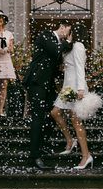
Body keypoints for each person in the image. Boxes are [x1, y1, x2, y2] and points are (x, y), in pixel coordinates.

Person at [23, 20, 72, 170]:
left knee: (53, 113)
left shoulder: (59, 43)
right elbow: (54, 50)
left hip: (48, 85)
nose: (68, 36)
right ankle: (34, 156)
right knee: (38, 117)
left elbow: (55, 65)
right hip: (37, 82)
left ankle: (41, 144)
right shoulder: (46, 35)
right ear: (62, 27)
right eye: (68, 31)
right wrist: (68, 43)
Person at [51, 22, 93, 170]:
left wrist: (81, 89)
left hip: (76, 87)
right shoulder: (71, 46)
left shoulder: (79, 46)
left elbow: (81, 69)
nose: (67, 32)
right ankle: (71, 140)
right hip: (67, 87)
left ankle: (86, 156)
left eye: (70, 30)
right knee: (55, 112)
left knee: (76, 121)